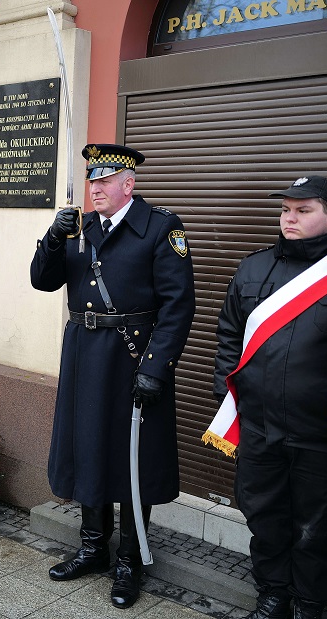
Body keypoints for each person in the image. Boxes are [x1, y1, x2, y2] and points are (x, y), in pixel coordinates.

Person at [31, 143, 195, 608]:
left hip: (131, 357)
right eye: (92, 181)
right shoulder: (79, 228)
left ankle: (130, 559)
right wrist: (52, 237)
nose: (95, 189)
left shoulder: (160, 228)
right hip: (84, 355)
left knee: (132, 457)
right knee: (88, 446)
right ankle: (92, 547)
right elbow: (42, 280)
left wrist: (156, 367)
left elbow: (179, 305)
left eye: (104, 181)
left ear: (129, 184)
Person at [214, 176, 327, 619]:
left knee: (315, 528)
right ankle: (273, 595)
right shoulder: (253, 268)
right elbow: (229, 335)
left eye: (303, 210)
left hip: (323, 433)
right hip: (259, 428)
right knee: (264, 518)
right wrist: (228, 396)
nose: (290, 218)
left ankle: (309, 604)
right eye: (285, 210)